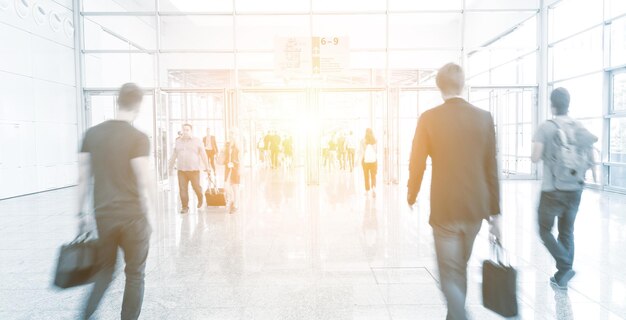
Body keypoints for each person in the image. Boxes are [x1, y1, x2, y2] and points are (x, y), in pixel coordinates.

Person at [406, 63, 501, 320]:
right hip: (475, 210)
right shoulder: (484, 117)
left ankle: (461, 316)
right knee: (459, 268)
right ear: (463, 84)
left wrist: (411, 194)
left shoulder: (428, 118)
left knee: (449, 273)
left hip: (445, 208)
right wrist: (496, 215)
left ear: (439, 88)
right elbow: (491, 168)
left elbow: (417, 163)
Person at [77, 83, 155, 320]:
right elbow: (144, 178)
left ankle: (84, 316)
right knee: (134, 274)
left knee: (104, 272)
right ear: (138, 106)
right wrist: (154, 215)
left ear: (117, 101)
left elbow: (82, 179)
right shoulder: (138, 137)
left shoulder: (92, 134)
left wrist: (81, 215)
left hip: (104, 216)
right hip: (133, 217)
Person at [531, 87, 597, 290]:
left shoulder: (546, 127)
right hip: (576, 187)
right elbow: (590, 156)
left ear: (552, 105)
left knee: (544, 230)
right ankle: (561, 276)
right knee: (567, 231)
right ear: (568, 104)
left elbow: (534, 157)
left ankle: (565, 266)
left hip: (552, 189)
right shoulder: (579, 127)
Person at [168, 124, 210, 214]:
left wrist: (207, 167)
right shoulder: (178, 141)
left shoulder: (197, 141)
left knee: (196, 187)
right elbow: (174, 155)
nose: (185, 131)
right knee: (182, 189)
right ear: (182, 131)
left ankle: (200, 197)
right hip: (181, 170)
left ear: (191, 131)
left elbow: (203, 155)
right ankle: (185, 207)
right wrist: (170, 167)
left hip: (194, 170)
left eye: (187, 130)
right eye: (184, 129)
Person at [224, 129, 241, 214]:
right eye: (230, 133)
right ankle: (232, 200)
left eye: (233, 134)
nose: (231, 135)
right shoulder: (227, 144)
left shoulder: (238, 145)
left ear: (236, 135)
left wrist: (239, 168)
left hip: (235, 168)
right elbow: (224, 155)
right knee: (226, 186)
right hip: (228, 168)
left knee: (235, 186)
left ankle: (235, 205)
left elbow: (241, 158)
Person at [359, 128, 378, 197]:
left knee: (366, 176)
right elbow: (376, 151)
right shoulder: (375, 140)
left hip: (365, 161)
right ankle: (374, 189)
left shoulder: (362, 141)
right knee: (373, 175)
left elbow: (362, 152)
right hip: (373, 161)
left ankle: (367, 190)